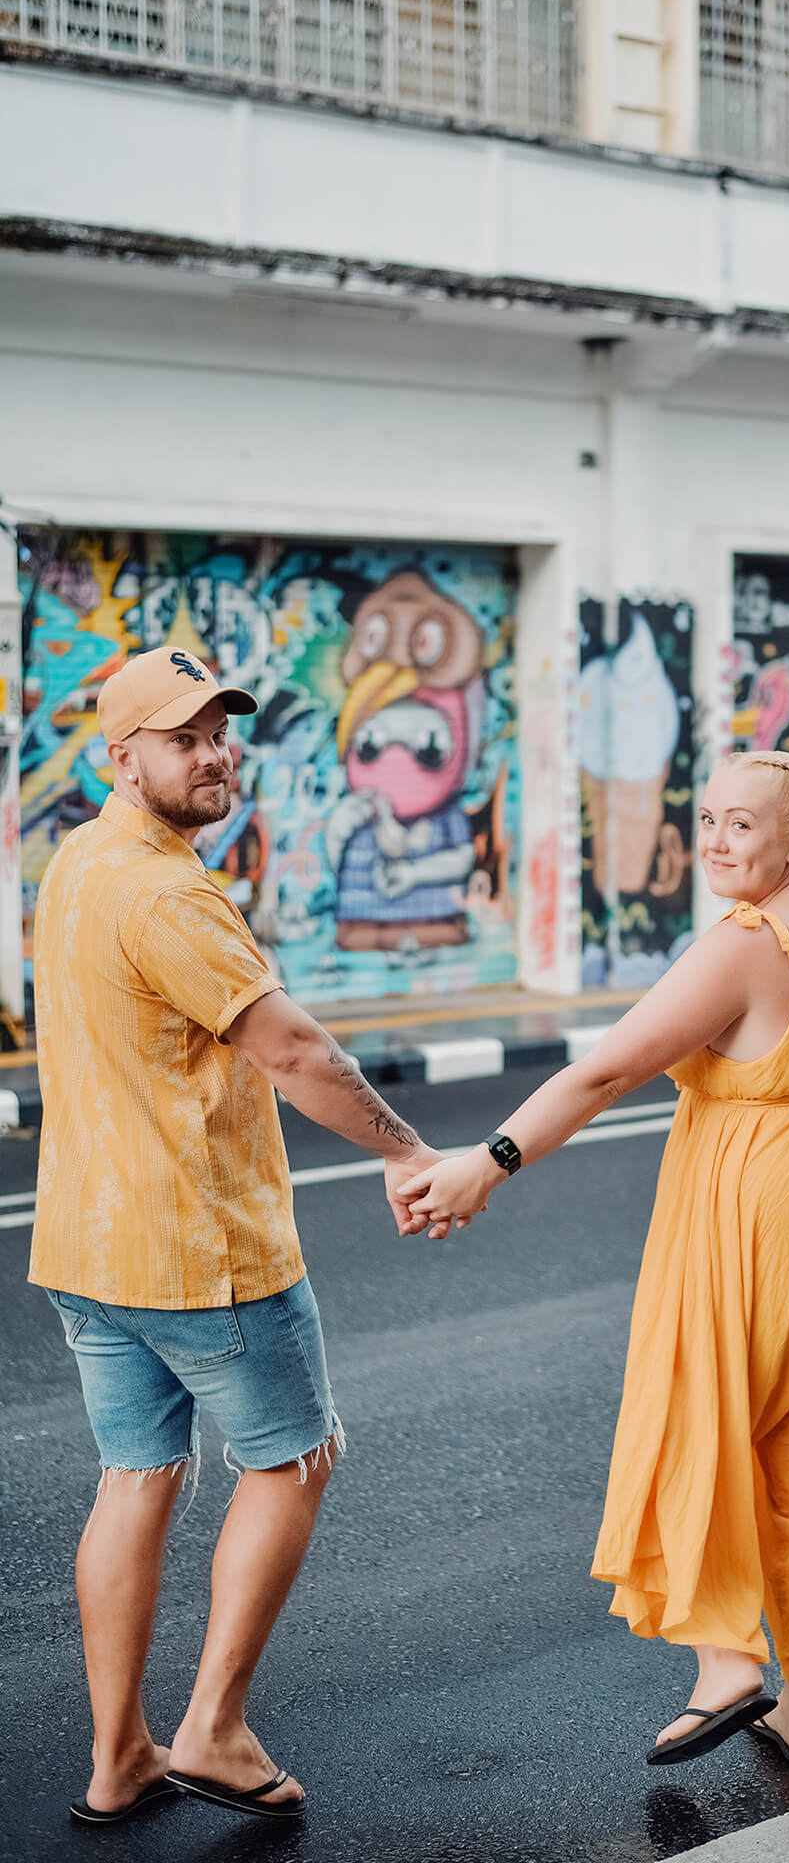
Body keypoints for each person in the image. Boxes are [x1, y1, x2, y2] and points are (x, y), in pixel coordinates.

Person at [399, 749, 789, 1770]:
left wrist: (487, 1161)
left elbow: (604, 1069)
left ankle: (724, 1660)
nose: (717, 842)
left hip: (768, 1207)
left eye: (742, 825)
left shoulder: (746, 941)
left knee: (697, 1416)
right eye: (710, 818)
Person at [28, 646, 442, 1826]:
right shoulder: (170, 892)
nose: (214, 753)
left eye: (220, 729)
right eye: (182, 736)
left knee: (137, 1476)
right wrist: (409, 1152)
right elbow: (299, 1051)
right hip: (202, 1249)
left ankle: (119, 1759)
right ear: (122, 757)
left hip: (90, 1246)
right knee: (292, 1458)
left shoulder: (78, 860)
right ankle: (210, 1727)